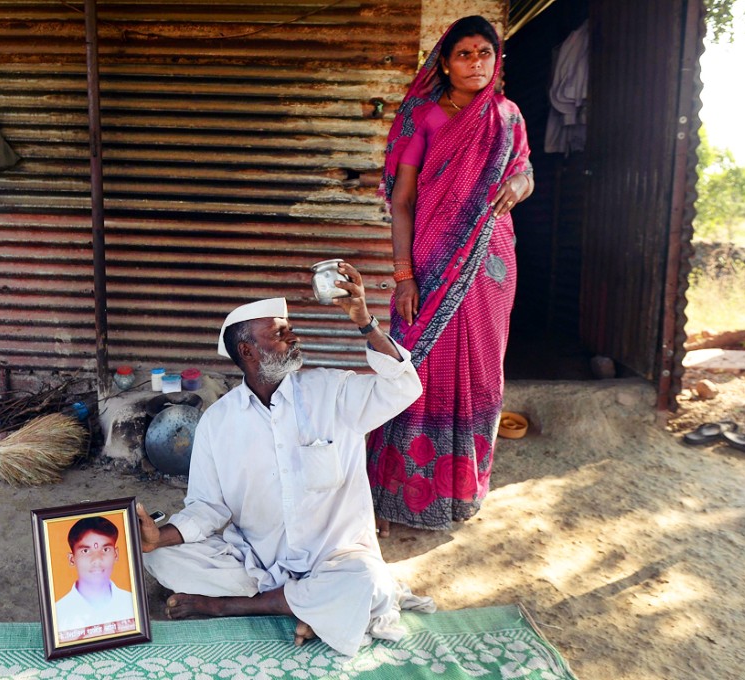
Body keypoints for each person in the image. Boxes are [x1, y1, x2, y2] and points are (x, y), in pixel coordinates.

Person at [135, 262, 435, 658]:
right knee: (161, 557)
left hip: (336, 558)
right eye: (279, 333)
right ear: (247, 350)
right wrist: (160, 537)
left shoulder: (331, 390)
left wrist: (365, 321)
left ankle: (230, 607)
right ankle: (308, 606)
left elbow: (403, 386)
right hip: (259, 559)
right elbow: (208, 507)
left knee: (369, 581)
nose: (293, 336)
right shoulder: (217, 423)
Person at [366, 15, 534, 535]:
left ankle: (460, 495)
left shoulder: (508, 117)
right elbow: (403, 200)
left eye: (485, 52)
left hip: (489, 267)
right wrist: (404, 276)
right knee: (414, 372)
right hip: (429, 267)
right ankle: (397, 496)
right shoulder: (425, 116)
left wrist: (520, 187)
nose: (476, 62)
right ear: (444, 61)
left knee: (481, 372)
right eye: (465, 53)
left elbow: (525, 172)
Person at [54, 516, 136, 643]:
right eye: (86, 551)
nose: (97, 559)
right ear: (72, 559)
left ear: (116, 554)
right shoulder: (57, 613)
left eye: (105, 549)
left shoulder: (133, 603)